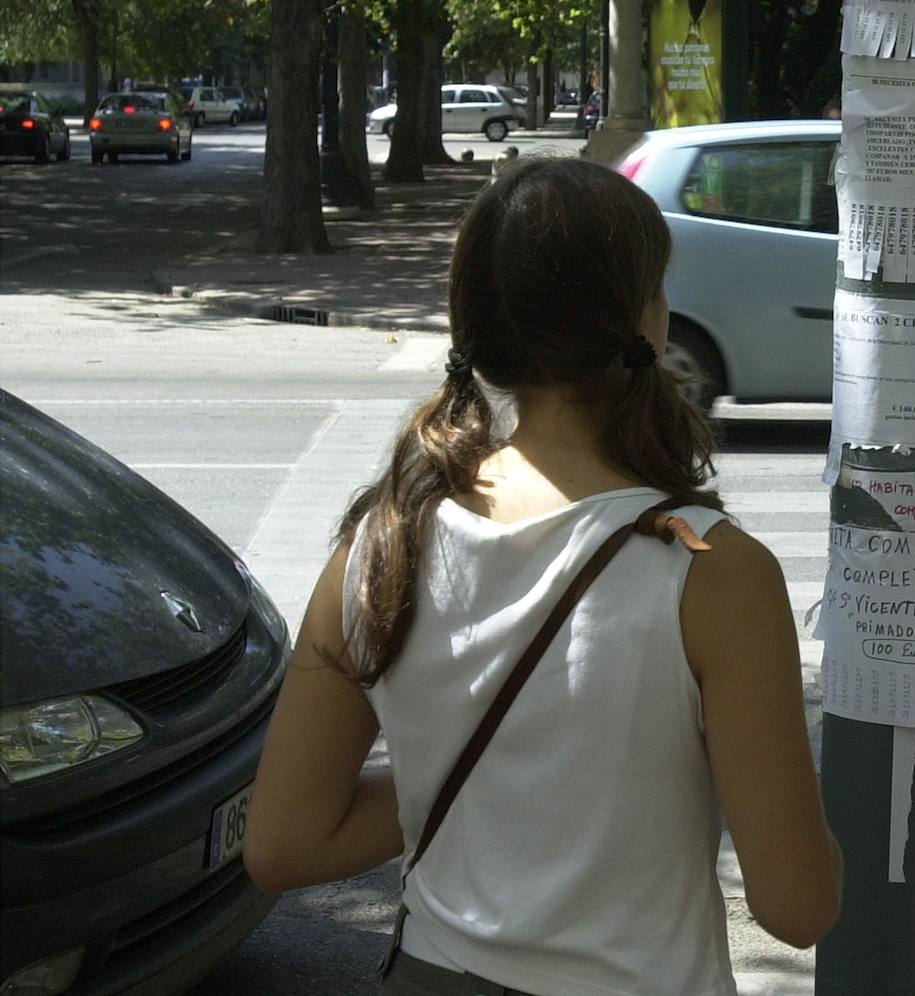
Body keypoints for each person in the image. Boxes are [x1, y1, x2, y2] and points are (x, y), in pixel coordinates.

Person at [243, 158, 843, 996]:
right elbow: (798, 907)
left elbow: (284, 846)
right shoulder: (711, 571)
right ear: (644, 320)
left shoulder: (381, 543)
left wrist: (459, 772)